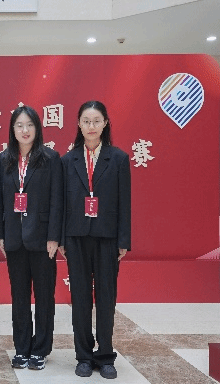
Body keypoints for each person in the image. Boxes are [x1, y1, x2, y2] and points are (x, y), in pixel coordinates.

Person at [59, 101, 131, 380]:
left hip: (107, 237)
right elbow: (61, 204)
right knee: (79, 298)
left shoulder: (119, 158)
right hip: (76, 237)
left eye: (96, 121)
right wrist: (62, 238)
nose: (91, 126)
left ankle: (105, 355)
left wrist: (123, 240)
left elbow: (124, 203)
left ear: (105, 124)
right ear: (79, 124)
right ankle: (84, 356)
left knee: (106, 297)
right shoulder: (68, 161)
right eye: (86, 121)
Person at [0, 106, 63, 370]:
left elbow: (57, 200)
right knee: (19, 296)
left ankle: (41, 349)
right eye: (19, 125)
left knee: (44, 296)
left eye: (30, 125)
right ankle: (22, 348)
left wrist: (54, 236)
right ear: (12, 130)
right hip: (14, 238)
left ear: (37, 128)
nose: (25, 130)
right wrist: (0, 235)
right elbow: (0, 201)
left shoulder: (50, 158)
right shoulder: (4, 159)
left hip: (43, 239)